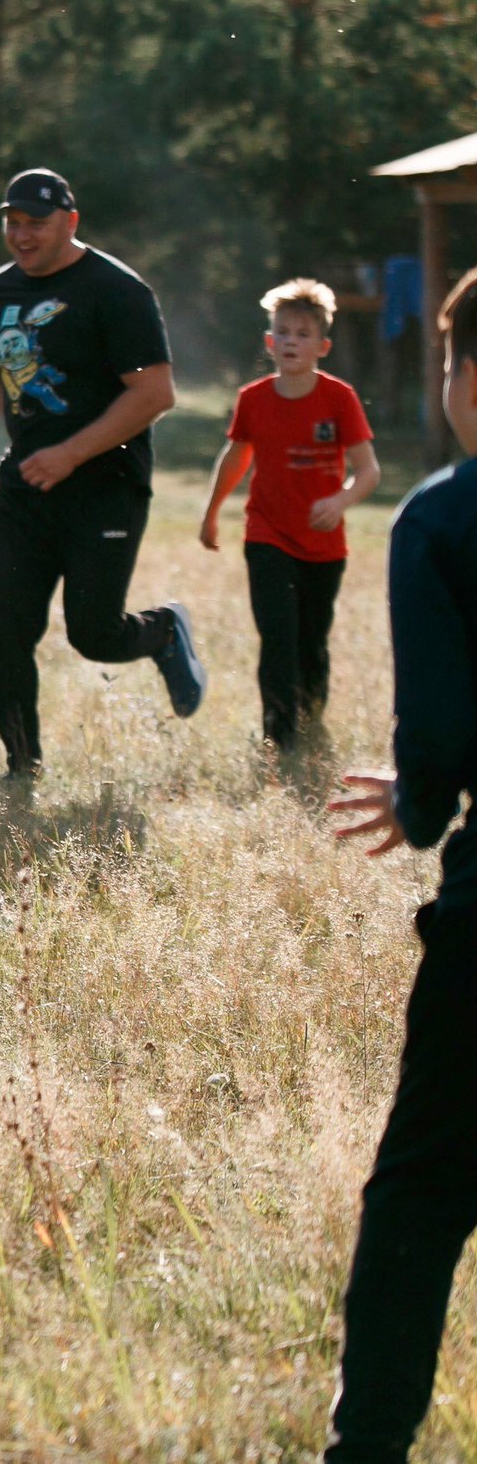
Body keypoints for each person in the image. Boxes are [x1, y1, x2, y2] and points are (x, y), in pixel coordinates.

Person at [321, 295, 477, 1463]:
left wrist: (418, 803)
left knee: (421, 1194)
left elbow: (437, 729)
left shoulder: (441, 518)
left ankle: (367, 1448)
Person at [0, 167, 206, 781]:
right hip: (25, 485)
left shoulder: (117, 291)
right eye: (13, 222)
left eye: (37, 223)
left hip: (107, 486)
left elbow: (155, 392)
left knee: (94, 635)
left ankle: (162, 631)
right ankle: (21, 767)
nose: (21, 235)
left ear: (70, 222)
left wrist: (72, 453)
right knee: (4, 629)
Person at [197, 279, 379, 746]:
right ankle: (279, 736)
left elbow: (368, 471)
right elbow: (235, 458)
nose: (291, 341)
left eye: (302, 333)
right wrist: (211, 512)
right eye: (283, 332)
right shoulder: (253, 398)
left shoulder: (339, 398)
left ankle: (311, 719)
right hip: (267, 532)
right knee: (278, 635)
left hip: (324, 543)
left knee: (311, 641)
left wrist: (339, 500)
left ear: (322, 346)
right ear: (269, 341)